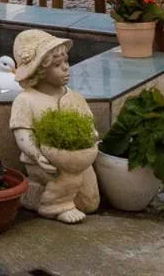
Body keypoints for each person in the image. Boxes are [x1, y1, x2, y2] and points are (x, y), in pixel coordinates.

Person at [9, 29, 99, 223]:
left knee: (90, 203)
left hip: (76, 159)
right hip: (45, 161)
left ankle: (32, 193)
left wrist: (91, 137)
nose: (66, 68)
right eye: (58, 65)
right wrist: (37, 155)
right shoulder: (26, 100)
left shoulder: (74, 97)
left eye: (66, 62)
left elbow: (88, 125)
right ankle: (53, 206)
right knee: (67, 177)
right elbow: (23, 134)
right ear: (40, 71)